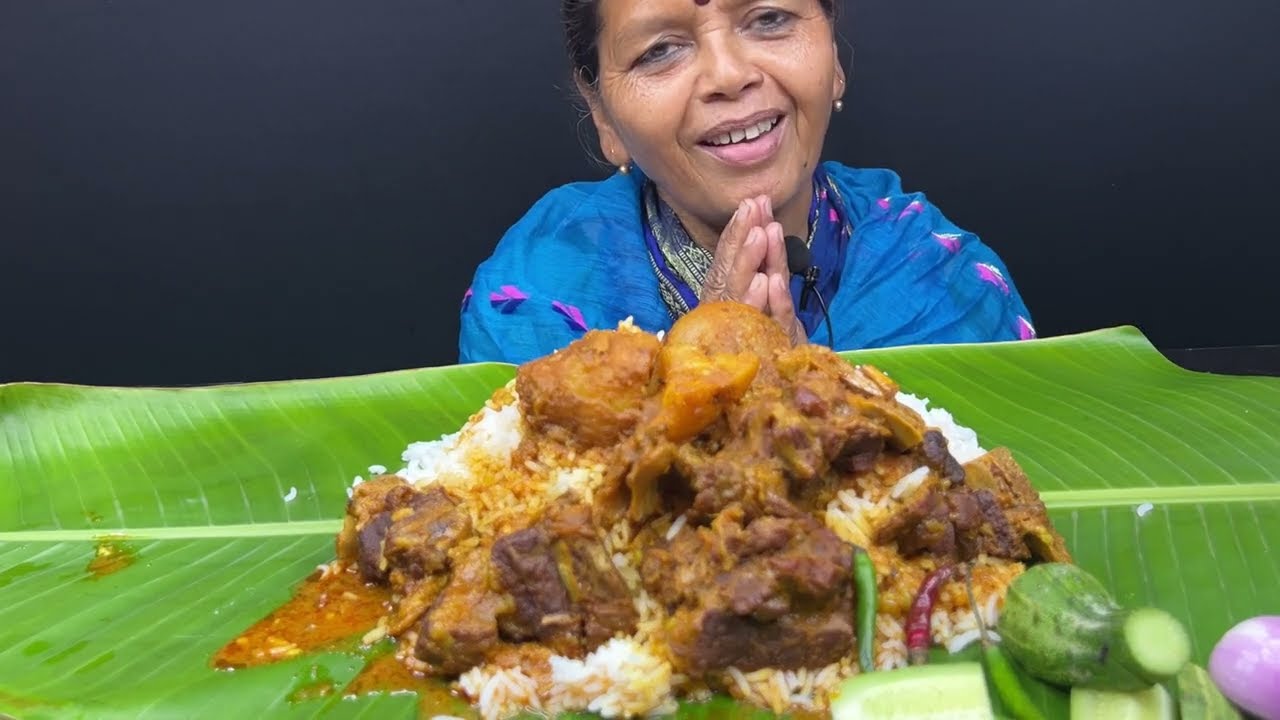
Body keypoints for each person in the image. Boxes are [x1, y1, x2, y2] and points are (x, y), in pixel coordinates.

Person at [459, 0, 1035, 365]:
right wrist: (706, 387)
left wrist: (807, 396)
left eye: (769, 19)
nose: (729, 76)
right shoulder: (539, 295)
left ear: (833, 55)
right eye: (660, 50)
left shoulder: (943, 282)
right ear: (603, 113)